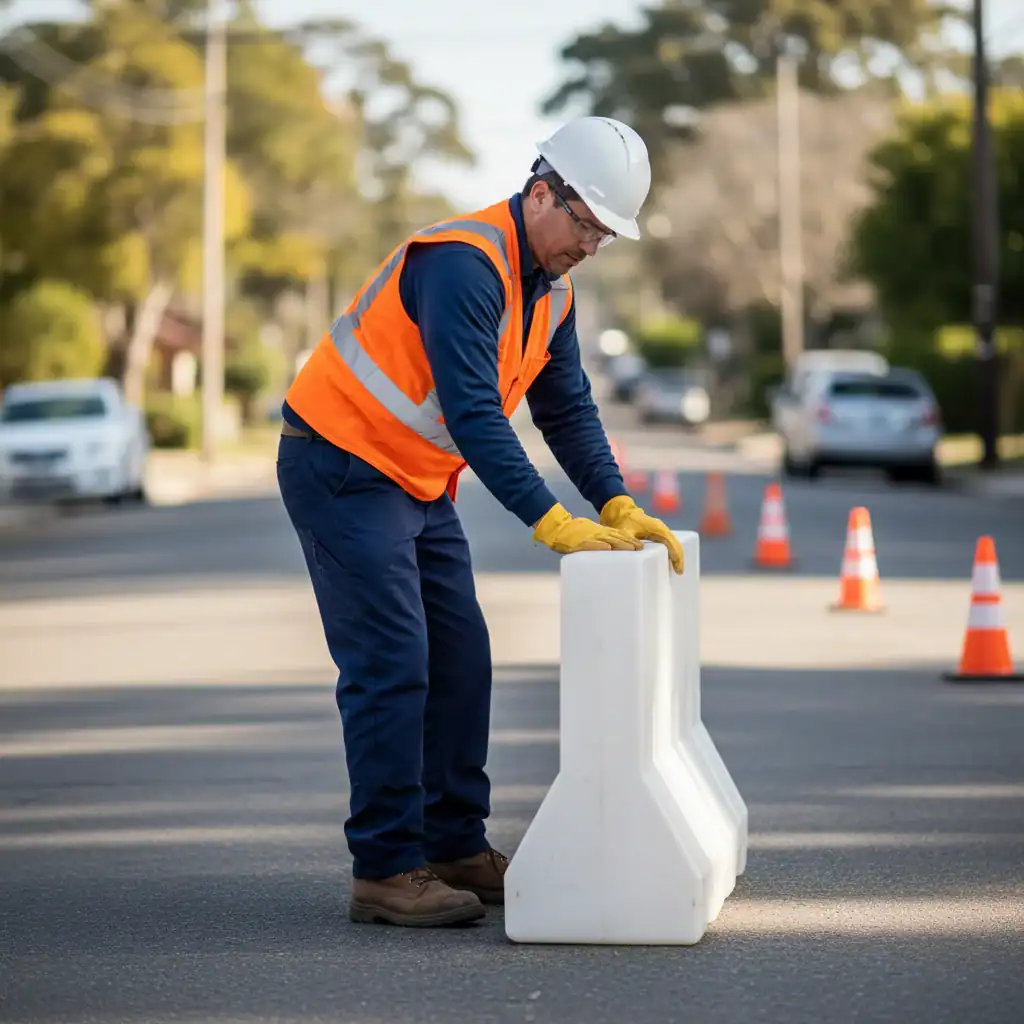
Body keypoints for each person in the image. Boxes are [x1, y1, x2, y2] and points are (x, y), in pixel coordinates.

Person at [276, 115, 685, 928]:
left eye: (608, 235)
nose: (593, 246)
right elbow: (473, 412)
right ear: (542, 193)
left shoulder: (552, 291)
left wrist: (616, 501)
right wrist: (551, 521)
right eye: (588, 225)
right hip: (341, 465)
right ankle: (387, 868)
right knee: (395, 663)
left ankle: (454, 842)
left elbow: (564, 407)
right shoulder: (463, 266)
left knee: (462, 659)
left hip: (413, 480)